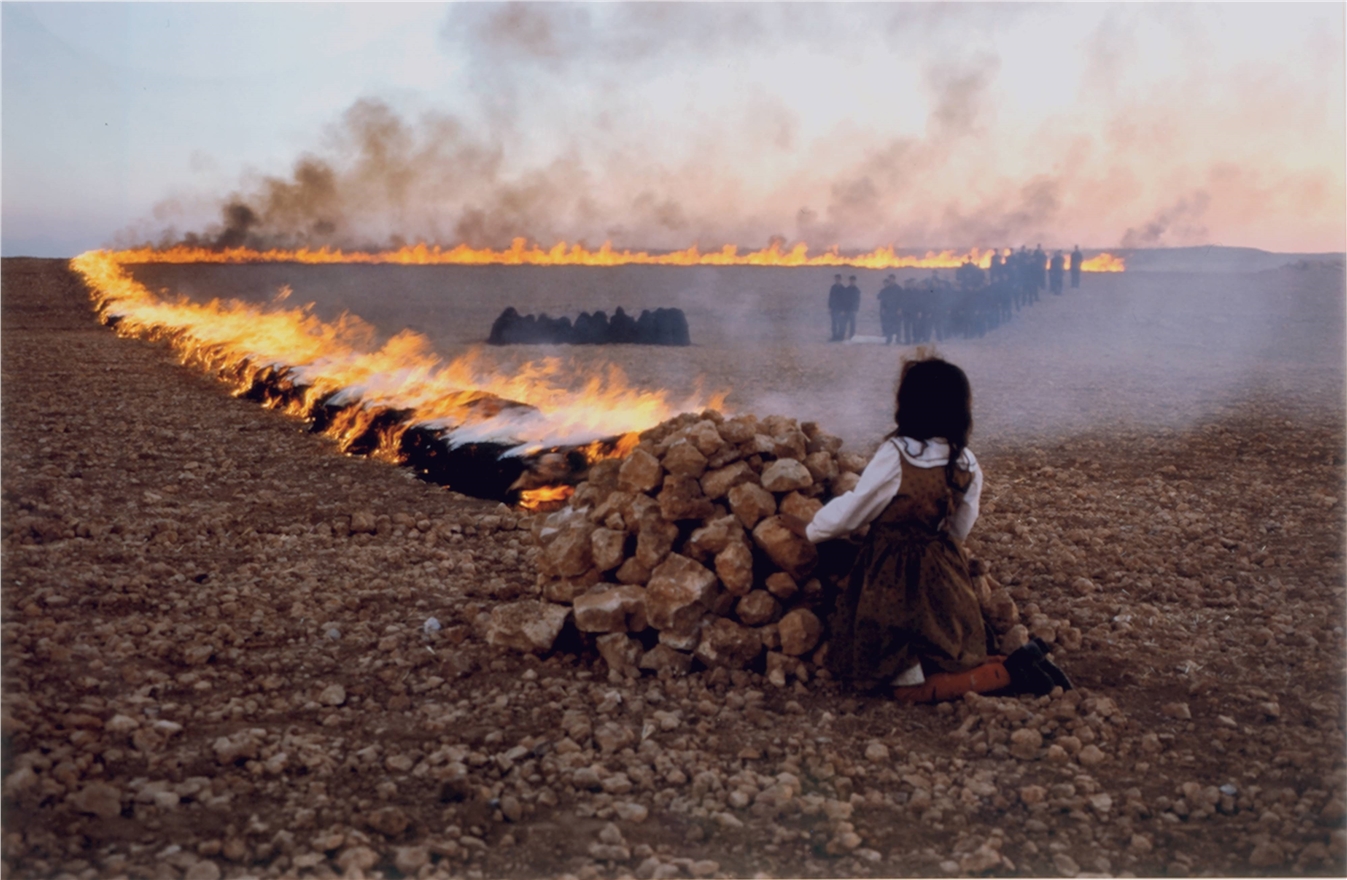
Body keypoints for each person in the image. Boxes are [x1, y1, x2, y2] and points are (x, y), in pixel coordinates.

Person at [785, 356, 992, 693]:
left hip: (890, 569)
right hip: (943, 568)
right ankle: (948, 669)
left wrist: (812, 529)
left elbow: (856, 509)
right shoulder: (966, 461)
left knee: (886, 642)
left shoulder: (896, 454)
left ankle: (914, 682)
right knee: (943, 634)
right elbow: (961, 526)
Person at [877, 274, 902, 344]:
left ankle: (898, 339)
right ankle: (889, 339)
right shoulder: (886, 289)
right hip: (888, 310)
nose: (890, 280)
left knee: (897, 325)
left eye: (891, 279)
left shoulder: (898, 289)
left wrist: (900, 308)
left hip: (896, 310)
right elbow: (883, 299)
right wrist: (884, 308)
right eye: (889, 279)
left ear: (894, 279)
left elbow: (901, 299)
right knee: (889, 325)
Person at [827, 274, 847, 341]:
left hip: (840, 309)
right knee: (834, 324)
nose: (836, 280)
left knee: (840, 323)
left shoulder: (843, 288)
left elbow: (844, 300)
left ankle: (840, 337)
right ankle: (834, 336)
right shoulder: (833, 287)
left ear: (840, 279)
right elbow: (830, 298)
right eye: (835, 279)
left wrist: (843, 310)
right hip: (834, 308)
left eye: (837, 279)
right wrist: (829, 307)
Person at [842, 275, 861, 340]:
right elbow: (844, 299)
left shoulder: (857, 290)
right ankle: (842, 336)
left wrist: (856, 309)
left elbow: (857, 300)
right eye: (850, 280)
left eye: (853, 280)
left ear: (855, 281)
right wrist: (843, 309)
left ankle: (851, 336)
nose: (851, 282)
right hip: (846, 309)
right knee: (844, 323)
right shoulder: (846, 289)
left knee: (852, 324)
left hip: (852, 310)